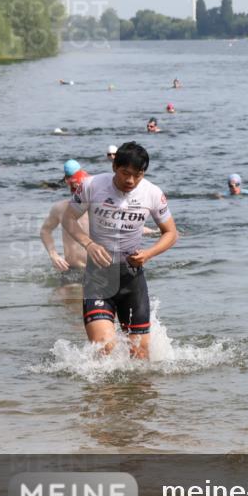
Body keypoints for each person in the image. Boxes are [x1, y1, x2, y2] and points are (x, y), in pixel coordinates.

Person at [62, 142, 178, 360]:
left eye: (138, 175)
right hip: (99, 277)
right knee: (105, 348)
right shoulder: (92, 185)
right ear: (114, 166)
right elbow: (68, 218)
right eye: (125, 173)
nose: (130, 180)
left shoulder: (152, 193)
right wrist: (89, 244)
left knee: (140, 356)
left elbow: (171, 233)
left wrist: (148, 254)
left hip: (131, 278)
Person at [41, 169, 91, 285]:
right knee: (67, 296)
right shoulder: (60, 208)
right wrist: (53, 255)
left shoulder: (100, 209)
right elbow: (45, 231)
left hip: (97, 270)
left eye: (80, 189)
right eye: (73, 189)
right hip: (71, 270)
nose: (76, 192)